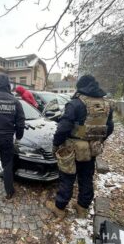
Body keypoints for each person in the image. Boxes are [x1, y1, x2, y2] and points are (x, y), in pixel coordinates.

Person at [46, 75, 114, 219]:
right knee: (86, 178)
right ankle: (82, 207)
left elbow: (63, 128)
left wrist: (56, 144)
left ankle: (60, 208)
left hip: (73, 148)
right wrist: (98, 140)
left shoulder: (76, 104)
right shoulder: (106, 104)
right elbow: (110, 127)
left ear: (81, 87)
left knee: (67, 177)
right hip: (92, 149)